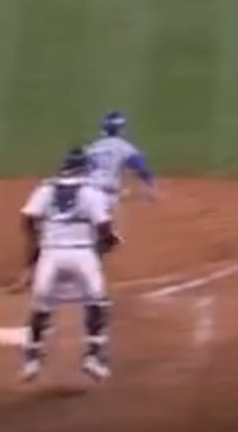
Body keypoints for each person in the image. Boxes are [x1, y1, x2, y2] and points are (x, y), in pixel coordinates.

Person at [20, 147, 118, 383]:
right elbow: (104, 226)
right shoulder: (91, 192)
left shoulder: (46, 189)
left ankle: (31, 360)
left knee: (41, 304)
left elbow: (27, 218)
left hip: (50, 253)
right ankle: (93, 357)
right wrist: (109, 241)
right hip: (82, 254)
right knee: (96, 301)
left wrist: (35, 245)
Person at [84, 110, 159, 209]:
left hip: (85, 192)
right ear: (119, 129)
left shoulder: (92, 148)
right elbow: (142, 169)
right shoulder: (124, 147)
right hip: (106, 198)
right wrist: (152, 187)